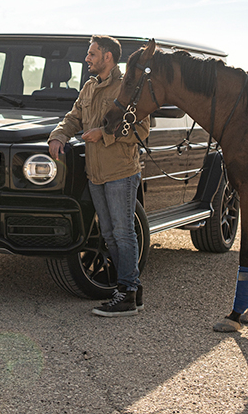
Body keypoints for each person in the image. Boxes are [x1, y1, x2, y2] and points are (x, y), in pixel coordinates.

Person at [48, 36, 150, 317]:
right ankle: (130, 288)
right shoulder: (89, 87)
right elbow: (73, 117)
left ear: (108, 57)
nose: (87, 59)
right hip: (95, 175)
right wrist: (58, 135)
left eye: (92, 54)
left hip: (121, 173)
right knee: (108, 233)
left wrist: (103, 135)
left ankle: (127, 293)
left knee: (123, 232)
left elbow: (140, 131)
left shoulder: (127, 88)